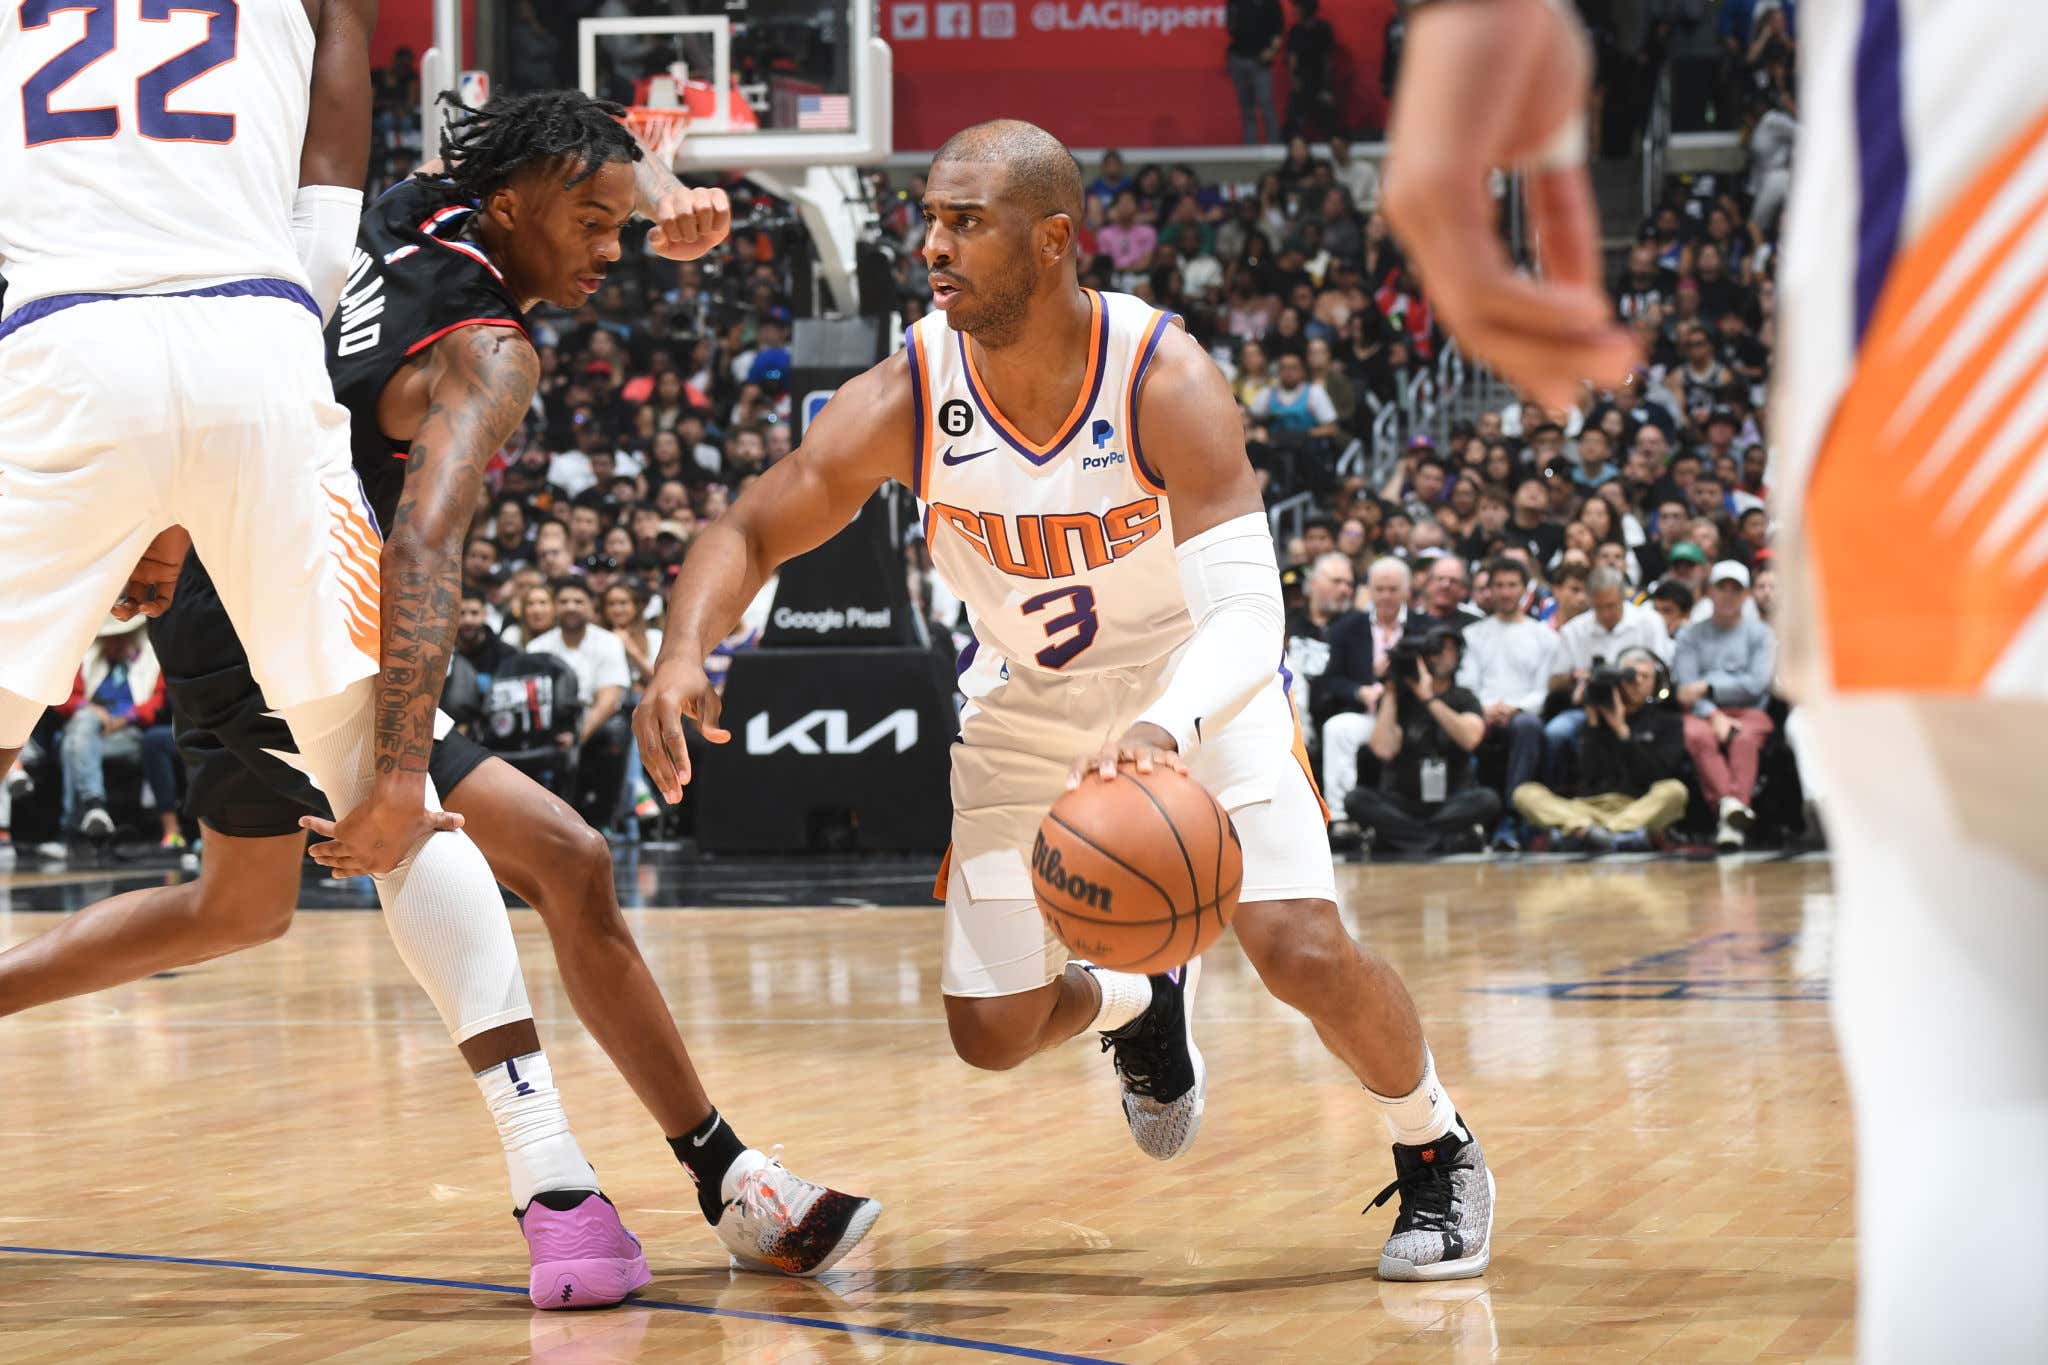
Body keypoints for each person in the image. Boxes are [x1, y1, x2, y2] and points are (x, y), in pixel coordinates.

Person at [0, 87, 876, 1303]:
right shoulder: (489, 350)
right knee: (562, 854)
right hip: (285, 599)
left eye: (616, 226)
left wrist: (661, 192)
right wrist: (401, 774)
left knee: (237, 906)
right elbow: (422, 548)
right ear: (512, 207)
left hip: (228, 561)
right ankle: (694, 1178)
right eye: (591, 224)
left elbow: (582, 145)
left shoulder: (421, 208)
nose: (609, 249)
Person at [639, 120, 1496, 1281]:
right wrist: (682, 650)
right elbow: (751, 526)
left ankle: (1435, 1144)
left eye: (964, 223)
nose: (931, 247)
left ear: (1051, 240)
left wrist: (1161, 729)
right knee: (990, 1034)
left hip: (1193, 685)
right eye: (929, 220)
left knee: (1296, 947)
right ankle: (1138, 1001)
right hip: (1026, 707)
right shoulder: (909, 390)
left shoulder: (1161, 377)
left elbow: (1251, 615)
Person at [1513, 649, 1688, 852]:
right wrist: (1594, 725)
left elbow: (1655, 775)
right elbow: (1589, 774)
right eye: (1631, 676)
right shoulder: (1596, 718)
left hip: (1637, 806)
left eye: (1645, 676)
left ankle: (1595, 833)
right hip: (1587, 808)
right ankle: (1615, 834)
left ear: (1656, 682)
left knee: (1675, 791)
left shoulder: (1668, 722)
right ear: (1618, 680)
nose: (1637, 682)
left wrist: (1622, 731)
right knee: (1524, 793)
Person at [1349, 626, 1495, 854]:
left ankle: (1406, 839)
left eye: (1449, 649)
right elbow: (1383, 750)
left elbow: (1470, 739)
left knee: (1487, 800)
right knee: (1356, 800)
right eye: (1436, 650)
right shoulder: (1398, 698)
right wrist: (1390, 690)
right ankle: (1438, 842)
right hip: (1403, 801)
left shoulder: (1464, 698)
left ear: (1459, 655)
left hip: (1450, 800)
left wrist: (1428, 698)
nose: (1442, 656)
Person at [50, 616, 184, 852]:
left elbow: (156, 703)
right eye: (108, 639)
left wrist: (123, 719)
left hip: (128, 733)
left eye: (119, 638)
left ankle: (72, 829)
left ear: (131, 637)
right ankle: (93, 807)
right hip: (90, 729)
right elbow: (62, 698)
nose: (113, 644)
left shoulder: (151, 662)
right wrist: (90, 710)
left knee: (72, 746)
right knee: (80, 731)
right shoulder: (89, 660)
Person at [1671, 561, 1776, 852]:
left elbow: (1756, 685)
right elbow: (1686, 691)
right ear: (1709, 592)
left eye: (1735, 590)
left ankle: (1729, 813)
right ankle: (1734, 812)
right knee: (1697, 736)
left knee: (1743, 738)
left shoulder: (1760, 634)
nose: (1728, 596)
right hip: (1701, 713)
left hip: (1750, 711)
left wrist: (1708, 686)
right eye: (1722, 588)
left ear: (1746, 596)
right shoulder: (1689, 636)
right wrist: (1713, 713)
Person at [1456, 557, 1557, 850]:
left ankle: (1512, 816)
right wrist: (1485, 708)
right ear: (1490, 589)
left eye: (1512, 585)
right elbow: (1468, 684)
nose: (1505, 592)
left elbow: (1544, 690)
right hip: (1482, 711)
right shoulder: (1473, 634)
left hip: (1523, 712)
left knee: (1527, 726)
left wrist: (1515, 708)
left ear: (1524, 589)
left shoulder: (1544, 636)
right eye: (1499, 585)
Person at [1543, 566, 1673, 783]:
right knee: (1556, 732)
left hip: (1641, 709)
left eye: (1611, 605)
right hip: (1591, 709)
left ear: (1623, 597)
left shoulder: (1649, 622)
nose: (1605, 613)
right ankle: (1558, 790)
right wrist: (1580, 677)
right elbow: (1555, 682)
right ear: (1590, 601)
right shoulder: (1573, 630)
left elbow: (1663, 673)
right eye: (1598, 607)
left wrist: (1635, 679)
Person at [1317, 558, 1412, 835]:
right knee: (1337, 728)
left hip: (1411, 715)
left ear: (1406, 591)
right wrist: (1360, 691)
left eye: (1393, 589)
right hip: (1368, 714)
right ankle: (1341, 816)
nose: (1386, 596)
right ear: (1369, 590)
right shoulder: (1347, 628)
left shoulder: (1424, 627)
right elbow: (1331, 680)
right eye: (1379, 589)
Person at [1224, 0, 1286, 145]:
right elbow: (1230, 27)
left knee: (1265, 102)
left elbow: (1278, 30)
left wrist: (1272, 51)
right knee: (1246, 106)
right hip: (1238, 58)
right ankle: (1249, 144)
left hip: (1260, 61)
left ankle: (1274, 143)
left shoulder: (1271, 3)